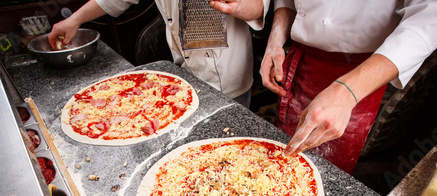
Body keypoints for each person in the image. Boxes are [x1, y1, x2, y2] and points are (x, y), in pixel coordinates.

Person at [259, 1, 437, 174]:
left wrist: (347, 90)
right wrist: (275, 41)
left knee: (329, 170)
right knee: (281, 154)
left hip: (363, 71)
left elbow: (436, 13)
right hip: (302, 60)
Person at [48, 0, 270, 108]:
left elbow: (259, 6)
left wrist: (237, 4)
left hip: (229, 76)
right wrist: (75, 19)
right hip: (184, 72)